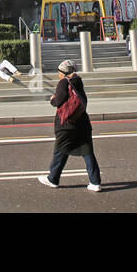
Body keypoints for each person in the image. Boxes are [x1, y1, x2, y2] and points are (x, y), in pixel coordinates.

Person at [38, 59, 102, 191]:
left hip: (66, 124)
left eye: (59, 71)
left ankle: (53, 179)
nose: (58, 74)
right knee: (88, 152)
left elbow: (58, 101)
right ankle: (95, 182)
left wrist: (52, 99)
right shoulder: (78, 81)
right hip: (82, 122)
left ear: (64, 72)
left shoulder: (63, 82)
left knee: (60, 150)